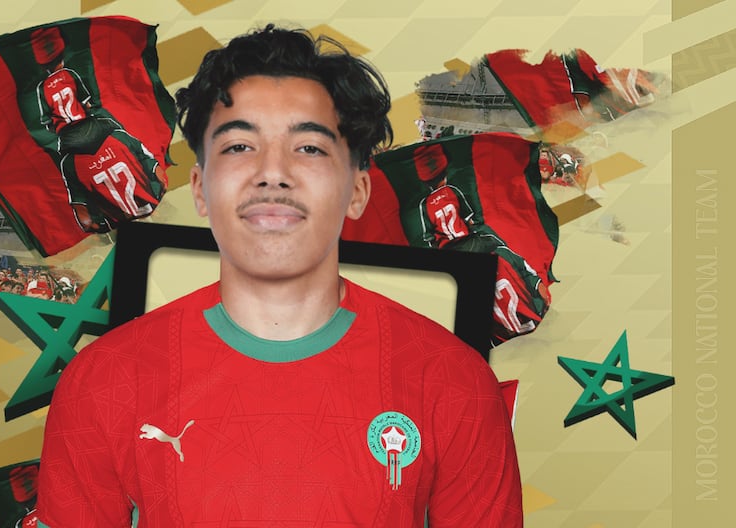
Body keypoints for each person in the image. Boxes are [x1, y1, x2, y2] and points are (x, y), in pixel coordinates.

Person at [36, 24, 522, 527]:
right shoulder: (103, 380)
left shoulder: (454, 381)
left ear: (357, 192)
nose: (273, 173)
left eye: (309, 148)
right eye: (238, 146)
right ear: (200, 188)